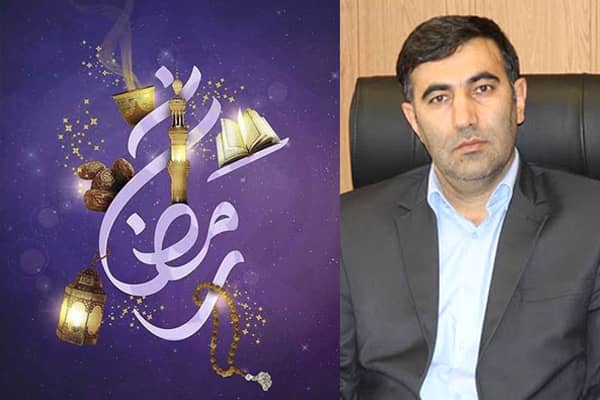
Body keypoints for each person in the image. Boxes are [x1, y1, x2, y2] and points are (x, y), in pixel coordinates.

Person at [340, 15, 600, 400]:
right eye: (439, 98)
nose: (464, 119)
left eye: (482, 88)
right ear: (414, 120)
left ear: (518, 99)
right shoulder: (349, 227)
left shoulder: (591, 220)